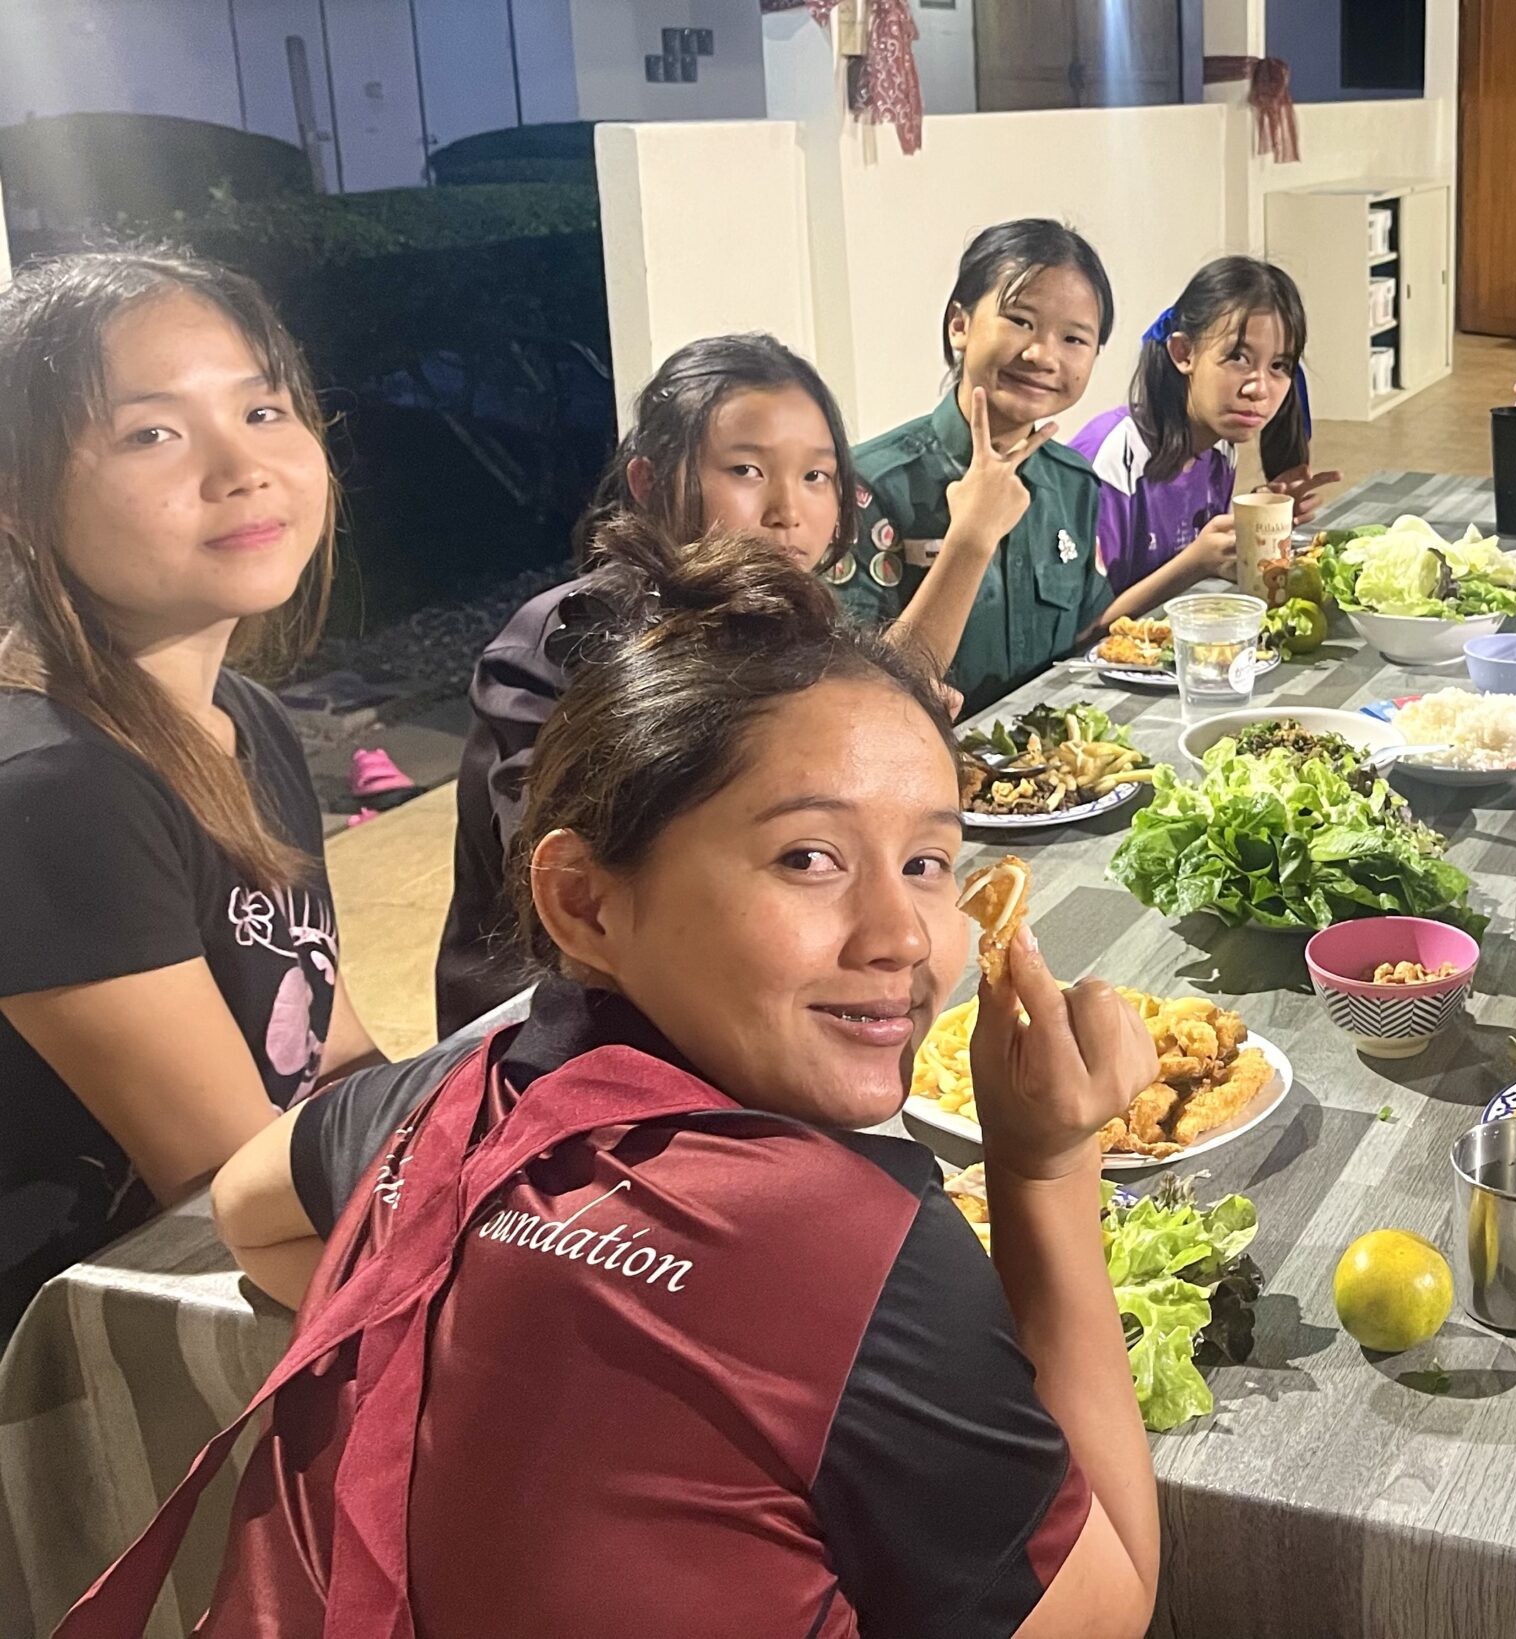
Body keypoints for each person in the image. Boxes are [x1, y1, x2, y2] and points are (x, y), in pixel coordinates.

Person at [67, 528, 1161, 1638]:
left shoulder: (444, 1100)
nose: (904, 936)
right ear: (585, 904)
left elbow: (250, 1203)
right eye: (808, 858)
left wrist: (499, 1342)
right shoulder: (858, 1249)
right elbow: (1106, 1611)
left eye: (926, 862)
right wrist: (1047, 1166)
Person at [0, 251, 377, 1340]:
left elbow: (330, 1050)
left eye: (262, 409)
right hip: (88, 1366)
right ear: (19, 499)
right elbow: (232, 1184)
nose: (242, 467)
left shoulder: (239, 717)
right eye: (151, 433)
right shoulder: (56, 785)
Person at [434, 333, 861, 1039]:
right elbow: (569, 889)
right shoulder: (563, 645)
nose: (788, 509)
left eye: (817, 475)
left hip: (734, 992)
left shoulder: (788, 627)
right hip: (560, 1029)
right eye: (747, 469)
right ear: (648, 482)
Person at [839, 219, 1117, 714]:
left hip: (1054, 753)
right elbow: (860, 697)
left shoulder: (1074, 482)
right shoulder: (869, 486)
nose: (1042, 355)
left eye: (1074, 339)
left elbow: (1088, 638)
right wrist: (970, 539)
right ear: (959, 325)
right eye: (1020, 321)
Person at [1072, 256, 1340, 622]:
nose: (1259, 389)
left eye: (1279, 366)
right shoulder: (1110, 458)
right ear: (1184, 353)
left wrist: (1256, 518)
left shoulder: (1220, 446)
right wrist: (1196, 563)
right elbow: (1076, 631)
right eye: (1238, 358)